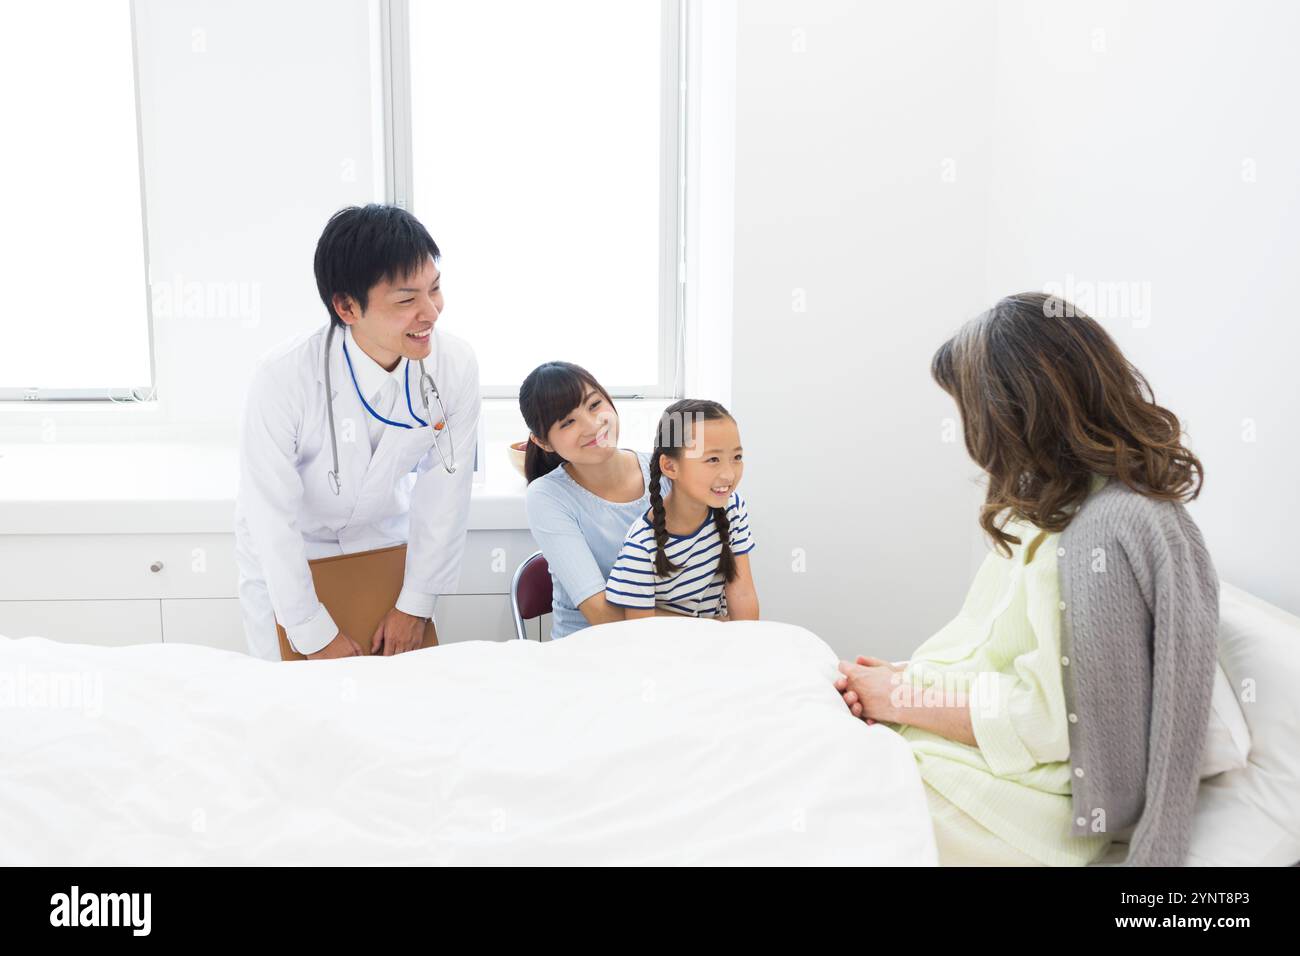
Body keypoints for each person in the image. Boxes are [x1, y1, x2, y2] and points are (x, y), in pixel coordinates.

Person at [835, 292, 1218, 866]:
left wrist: (902, 699)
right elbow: (997, 653)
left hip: (1029, 809)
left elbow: (1055, 721)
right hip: (984, 763)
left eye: (971, 410)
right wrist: (903, 682)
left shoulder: (1111, 528)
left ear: (1016, 410)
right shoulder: (1053, 503)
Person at [234, 204, 481, 660]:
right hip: (294, 556)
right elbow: (270, 515)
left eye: (436, 289)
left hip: (382, 544)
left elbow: (446, 490)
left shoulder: (455, 366)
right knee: (298, 708)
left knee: (397, 703)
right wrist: (311, 632)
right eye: (407, 301)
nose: (431, 312)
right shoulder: (282, 378)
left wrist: (416, 604)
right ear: (348, 306)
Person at [605, 399, 759, 621]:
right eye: (713, 459)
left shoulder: (733, 508)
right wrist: (712, 629)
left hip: (719, 646)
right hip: (666, 651)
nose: (729, 474)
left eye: (737, 457)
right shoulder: (641, 546)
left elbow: (743, 594)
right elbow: (641, 636)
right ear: (670, 466)